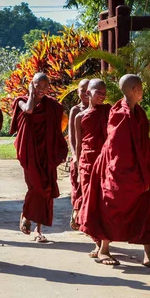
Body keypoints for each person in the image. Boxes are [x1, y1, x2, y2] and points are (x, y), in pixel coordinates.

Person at [78, 74, 150, 269]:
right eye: (141, 88)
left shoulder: (139, 112)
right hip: (118, 169)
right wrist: (125, 174)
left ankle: (149, 255)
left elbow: (143, 142)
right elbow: (116, 148)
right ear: (134, 90)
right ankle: (104, 249)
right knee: (109, 205)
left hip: (140, 169)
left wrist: (148, 168)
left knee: (148, 208)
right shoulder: (119, 113)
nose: (143, 92)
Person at [10, 72, 68, 242]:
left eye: (45, 86)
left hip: (47, 154)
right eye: (38, 85)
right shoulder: (21, 101)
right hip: (29, 153)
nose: (42, 89)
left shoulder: (52, 106)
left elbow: (57, 131)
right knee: (35, 187)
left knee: (46, 189)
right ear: (31, 85)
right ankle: (27, 214)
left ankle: (39, 229)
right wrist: (30, 94)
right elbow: (28, 110)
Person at [73, 79, 111, 257]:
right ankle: (97, 241)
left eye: (104, 92)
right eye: (98, 92)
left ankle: (102, 243)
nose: (102, 95)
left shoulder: (109, 111)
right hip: (87, 162)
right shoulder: (79, 116)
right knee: (89, 201)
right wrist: (79, 167)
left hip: (105, 162)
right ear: (88, 93)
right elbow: (79, 145)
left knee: (103, 202)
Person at [67, 79, 89, 229]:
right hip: (79, 156)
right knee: (78, 187)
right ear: (78, 92)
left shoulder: (102, 110)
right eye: (82, 90)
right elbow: (72, 136)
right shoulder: (76, 110)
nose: (85, 93)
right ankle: (76, 212)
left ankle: (85, 218)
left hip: (93, 156)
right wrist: (75, 155)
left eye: (88, 90)